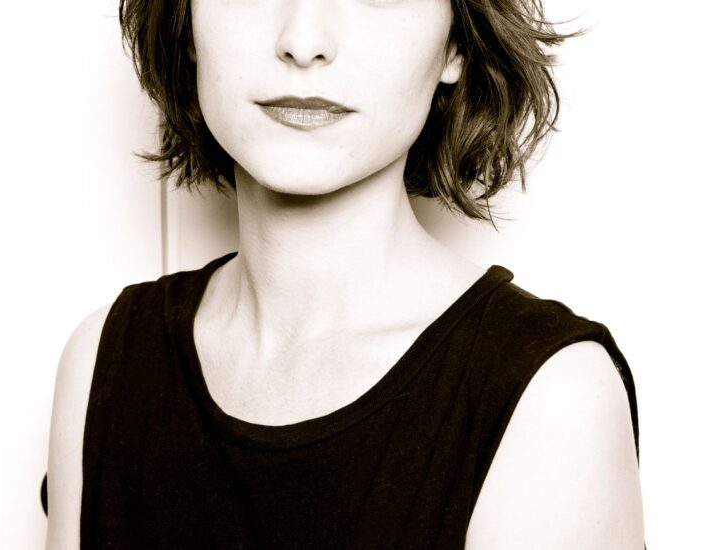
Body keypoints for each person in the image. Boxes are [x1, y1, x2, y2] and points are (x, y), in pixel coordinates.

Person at [44, 0, 645, 548]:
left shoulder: (552, 399)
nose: (303, 42)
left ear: (456, 46)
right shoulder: (102, 360)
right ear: (188, 24)